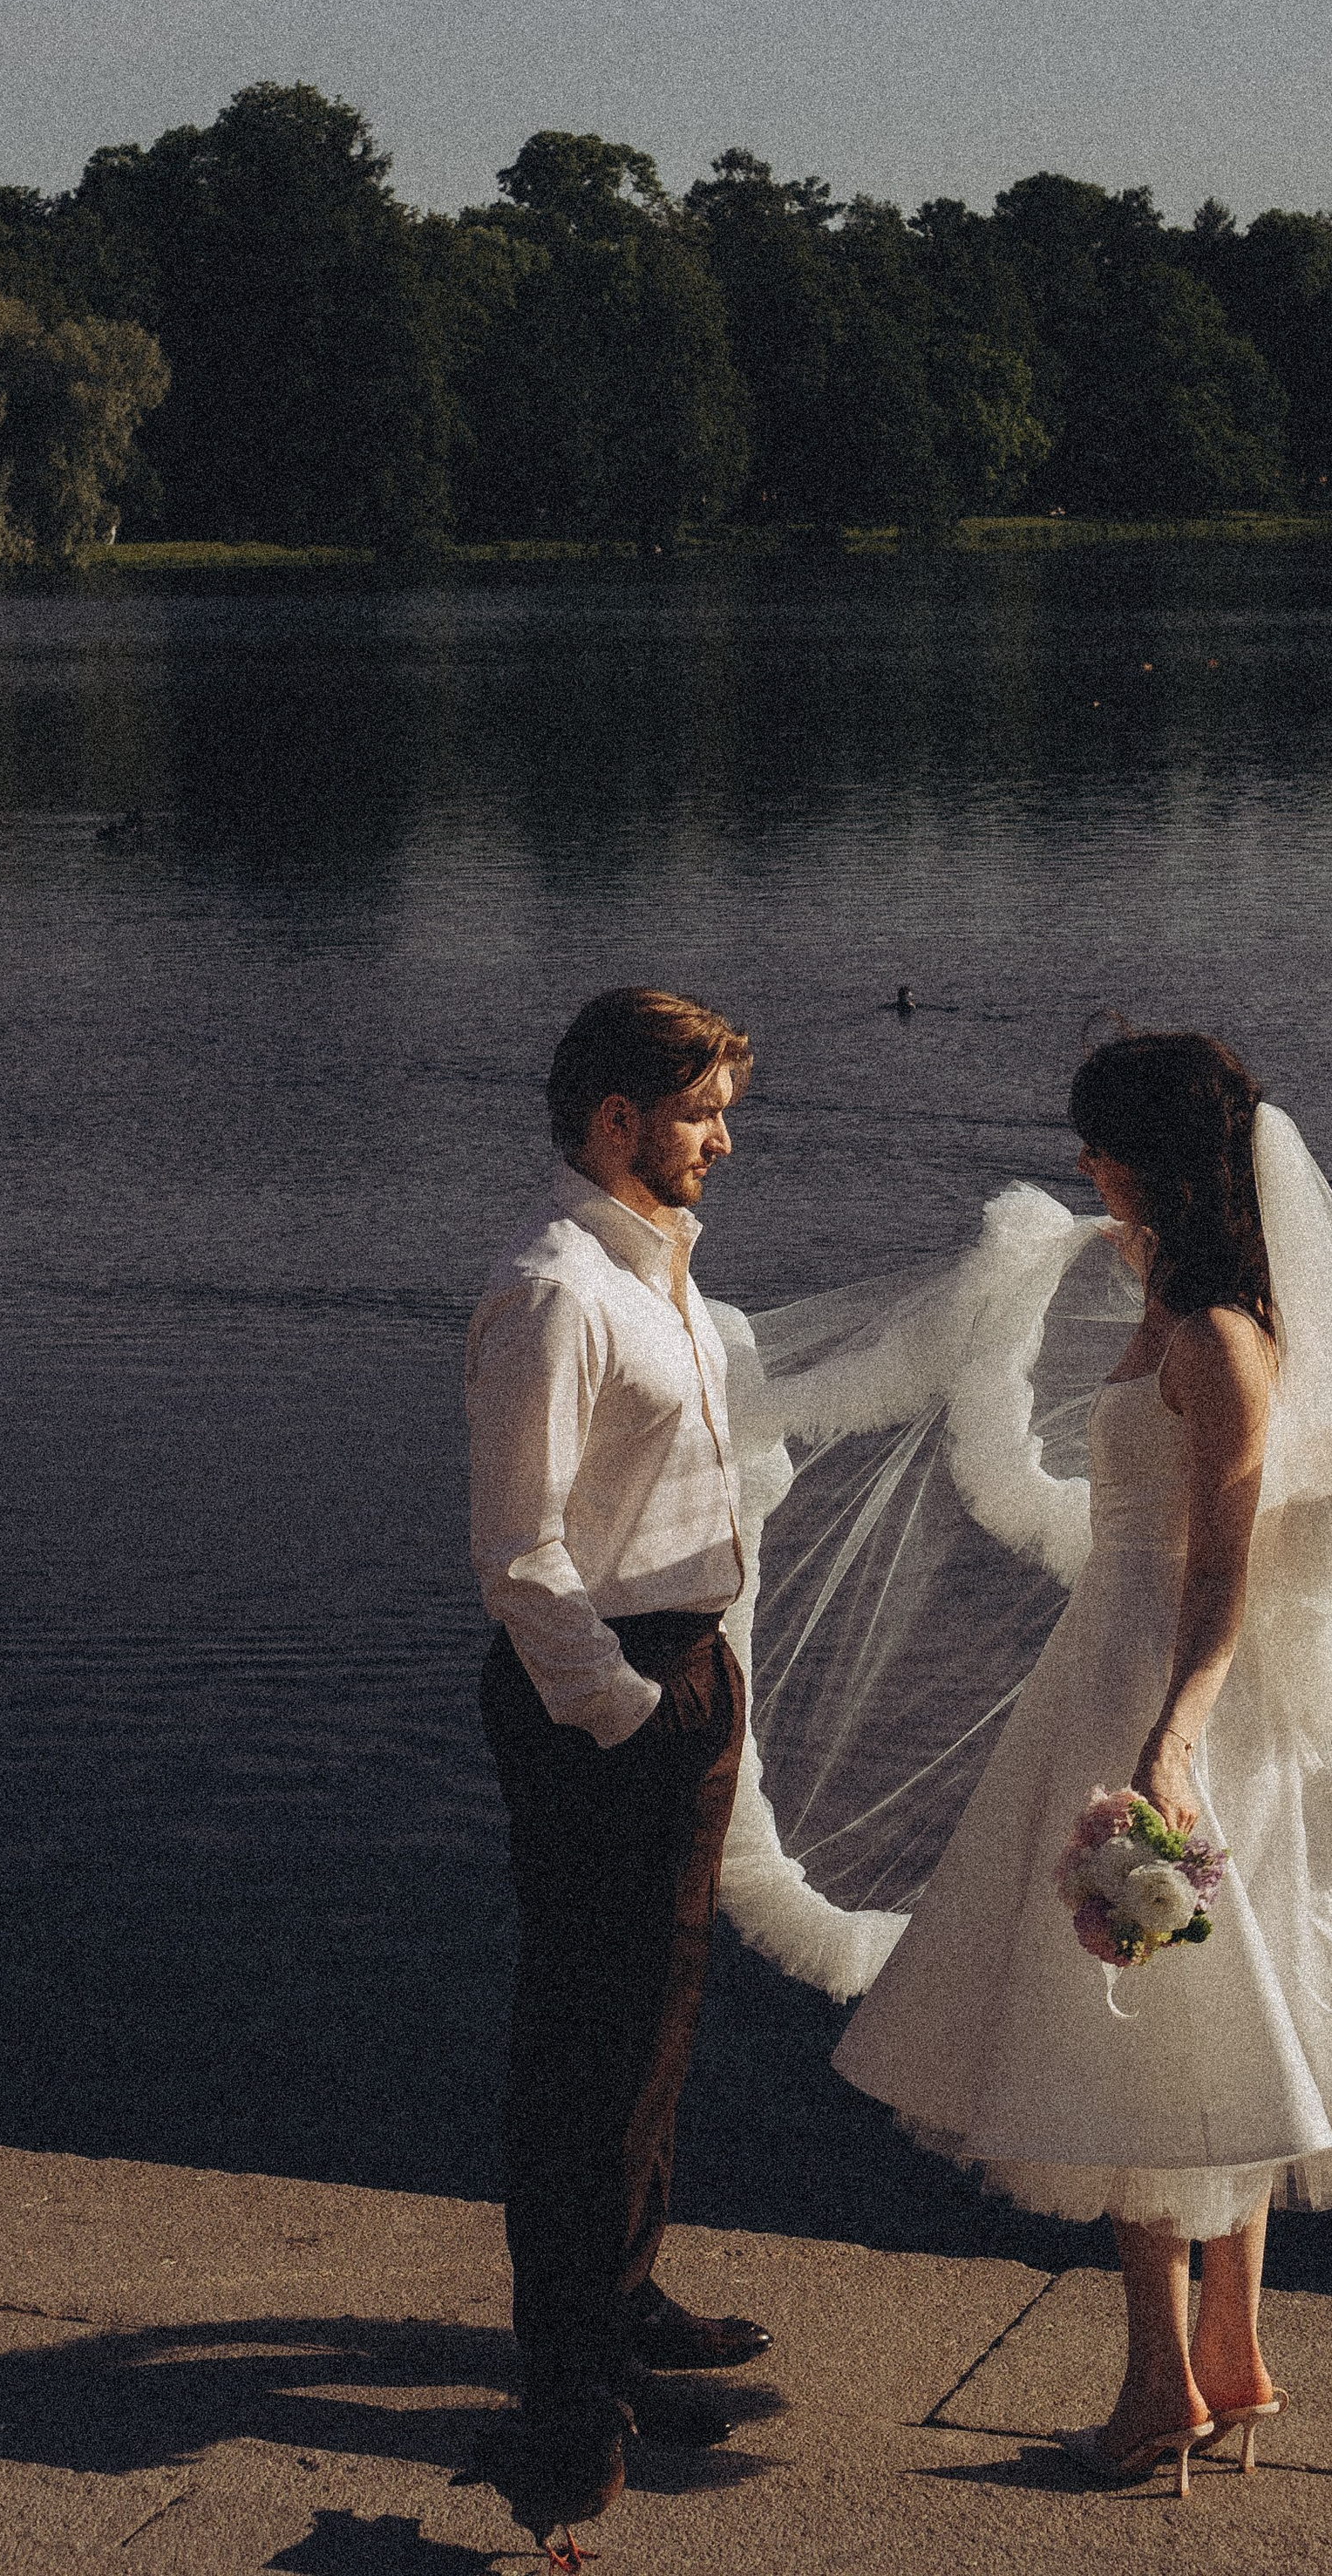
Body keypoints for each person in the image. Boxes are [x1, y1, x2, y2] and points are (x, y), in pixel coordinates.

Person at [744, 1031, 1332, 2498]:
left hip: (1167, 1689)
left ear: (1154, 1159)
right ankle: (1227, 2362)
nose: (1083, 1168)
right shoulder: (1175, 1298)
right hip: (1107, 1661)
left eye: (1100, 1147)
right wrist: (1076, 1255)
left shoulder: (1222, 1340)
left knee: (1153, 2037)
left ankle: (1158, 2388)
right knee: (1222, 2021)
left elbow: (1223, 1568)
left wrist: (1170, 1739)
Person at [468, 986, 771, 2539]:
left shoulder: (658, 1276)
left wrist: (701, 1687)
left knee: (656, 2013)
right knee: (587, 2029)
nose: (725, 1135)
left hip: (680, 1674)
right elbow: (522, 1561)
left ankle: (622, 2299)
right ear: (615, 1122)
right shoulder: (557, 1293)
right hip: (604, 1697)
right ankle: (569, 2366)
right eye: (702, 1109)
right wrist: (633, 1714)